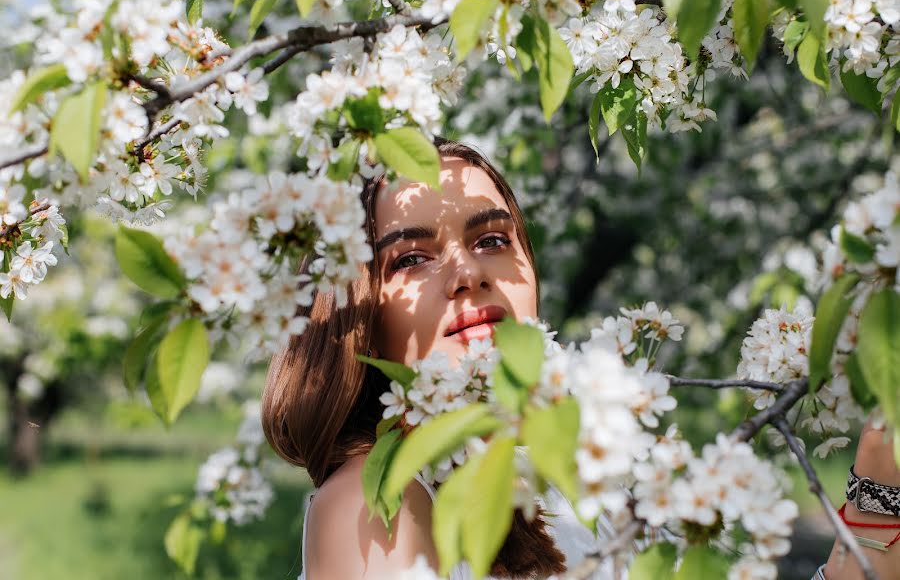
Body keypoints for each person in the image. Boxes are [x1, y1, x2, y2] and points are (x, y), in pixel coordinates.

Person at [262, 138, 900, 579]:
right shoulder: (377, 501)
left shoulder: (577, 468)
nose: (467, 272)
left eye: (491, 239)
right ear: (356, 314)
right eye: (412, 257)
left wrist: (881, 479)